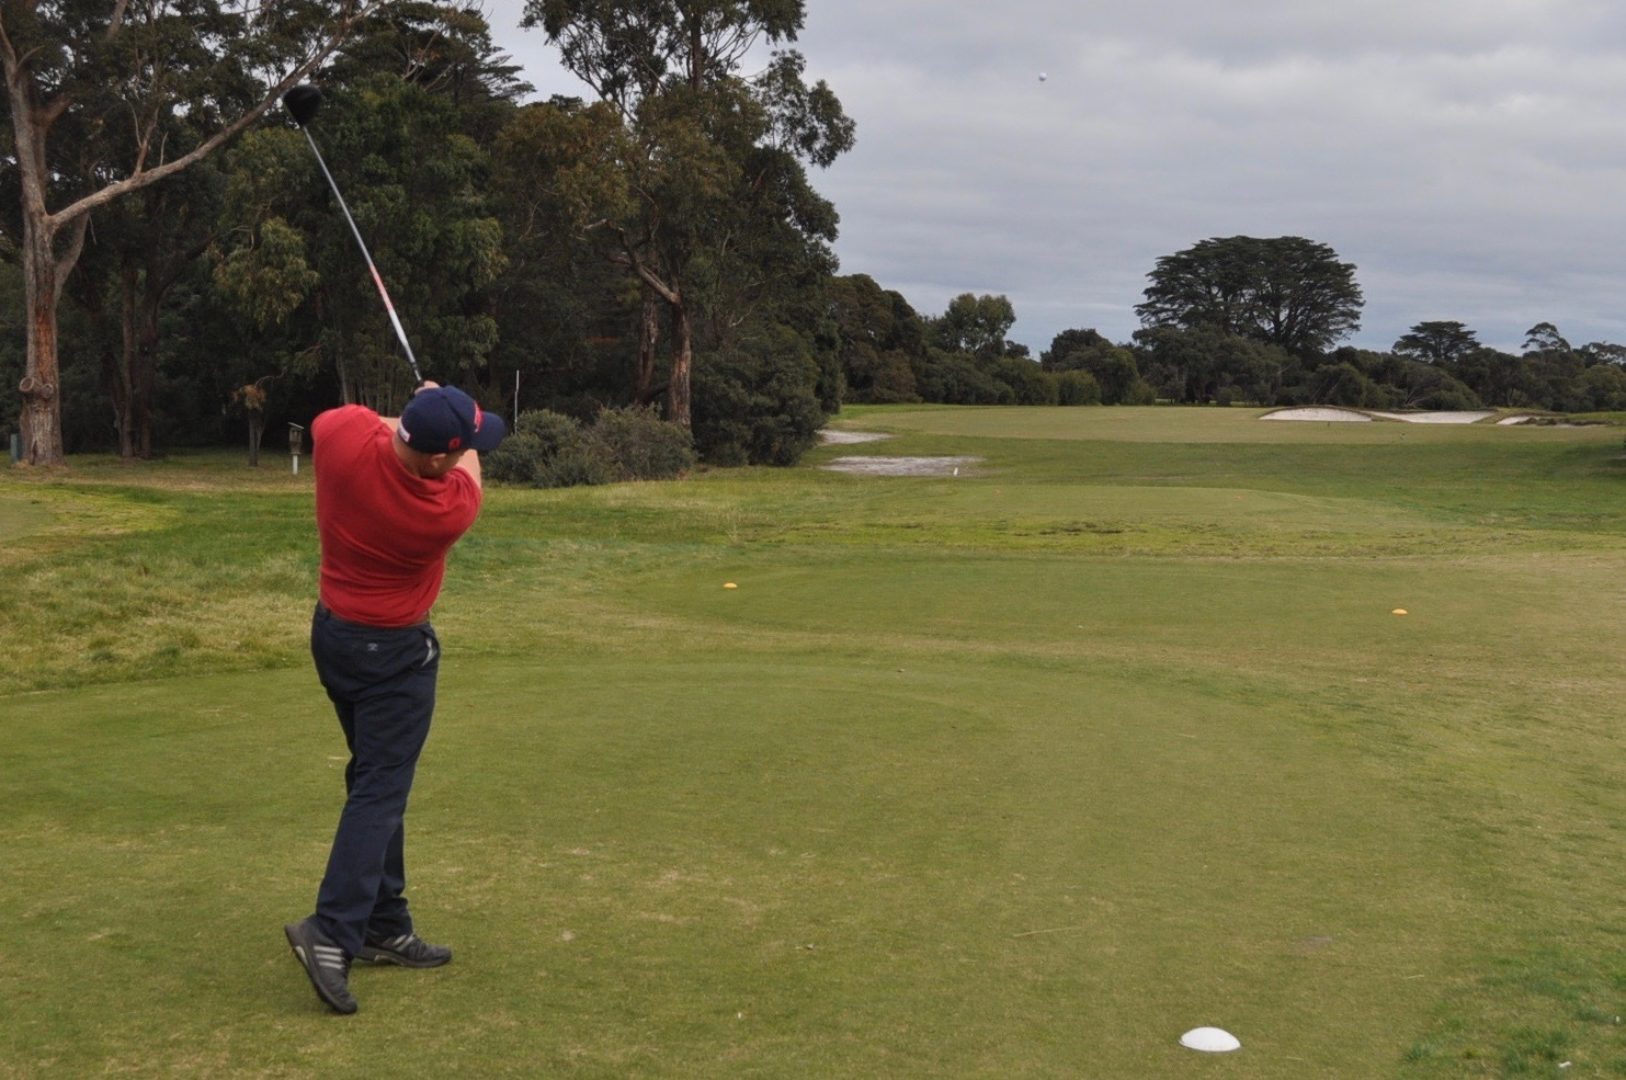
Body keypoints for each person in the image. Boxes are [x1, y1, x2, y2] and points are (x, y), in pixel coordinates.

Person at [285, 382, 507, 1015]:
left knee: (373, 779)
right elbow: (469, 466)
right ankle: (332, 931)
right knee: (381, 790)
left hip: (333, 637)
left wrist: (420, 406)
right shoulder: (447, 509)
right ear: (438, 458)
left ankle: (383, 923)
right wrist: (438, 407)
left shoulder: (341, 440)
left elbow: (354, 422)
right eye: (461, 444)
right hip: (395, 656)